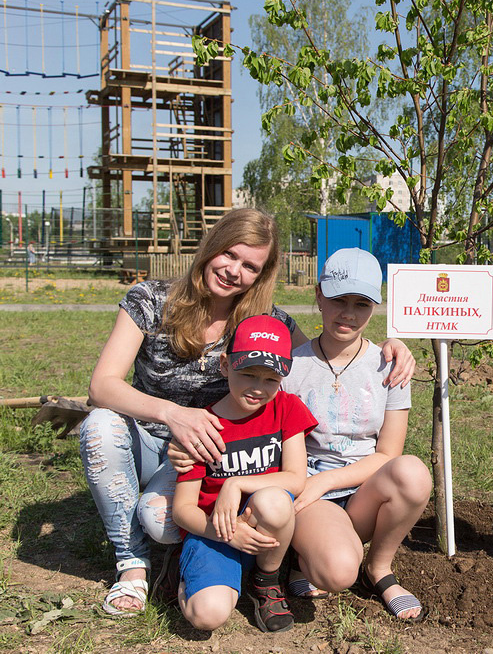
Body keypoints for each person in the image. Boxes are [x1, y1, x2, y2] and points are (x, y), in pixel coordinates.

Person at [79, 208, 414, 617]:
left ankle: (219, 559)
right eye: (229, 254)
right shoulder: (149, 299)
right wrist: (174, 416)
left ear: (261, 274)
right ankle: (132, 563)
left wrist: (390, 347)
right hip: (153, 439)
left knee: (161, 521)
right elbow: (102, 386)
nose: (234, 270)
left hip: (211, 456)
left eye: (250, 266)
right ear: (211, 247)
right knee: (99, 427)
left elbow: (322, 359)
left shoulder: (268, 322)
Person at [281, 248, 430, 620]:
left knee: (412, 473)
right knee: (336, 572)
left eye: (361, 303)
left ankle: (379, 568)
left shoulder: (389, 365)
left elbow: (388, 454)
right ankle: (305, 555)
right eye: (338, 300)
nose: (348, 313)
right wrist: (315, 485)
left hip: (363, 488)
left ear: (375, 306)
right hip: (312, 494)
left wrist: (329, 481)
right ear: (318, 296)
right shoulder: (291, 367)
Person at [173, 314, 316, 633]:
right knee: (206, 616)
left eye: (270, 380)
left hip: (265, 531)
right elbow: (182, 510)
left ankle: (266, 581)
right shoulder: (202, 425)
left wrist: (236, 484)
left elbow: (295, 478)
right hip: (215, 531)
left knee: (275, 501)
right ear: (225, 365)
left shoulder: (287, 408)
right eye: (248, 374)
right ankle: (181, 575)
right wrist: (223, 532)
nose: (258, 388)